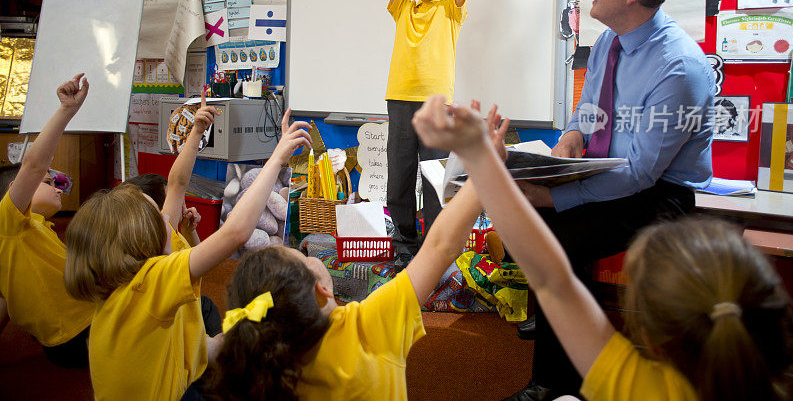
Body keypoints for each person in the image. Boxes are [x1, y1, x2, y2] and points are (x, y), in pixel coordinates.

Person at [412, 95, 793, 401]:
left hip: (650, 194)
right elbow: (552, 282)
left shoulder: (631, 385)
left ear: (648, 335)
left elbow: (552, 281)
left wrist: (482, 163)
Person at [511, 0, 716, 399]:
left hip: (661, 192)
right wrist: (571, 137)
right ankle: (558, 317)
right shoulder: (609, 41)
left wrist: (557, 193)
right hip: (606, 169)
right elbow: (589, 105)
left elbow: (642, 172)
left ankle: (558, 382)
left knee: (559, 237)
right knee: (534, 217)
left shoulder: (679, 68)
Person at [204, 103, 508, 401]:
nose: (310, 254)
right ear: (321, 289)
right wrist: (483, 164)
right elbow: (443, 246)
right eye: (306, 258)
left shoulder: (253, 368)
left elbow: (233, 234)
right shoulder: (369, 327)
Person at [64, 109, 312, 401]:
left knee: (216, 323)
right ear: (144, 239)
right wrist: (277, 159)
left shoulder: (131, 279)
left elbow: (176, 185)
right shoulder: (149, 282)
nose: (168, 215)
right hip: (180, 394)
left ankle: (220, 347)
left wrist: (196, 133)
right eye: (159, 216)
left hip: (177, 371)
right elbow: (235, 233)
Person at [370, 0, 467, 268]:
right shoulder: (403, 8)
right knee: (400, 175)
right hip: (399, 100)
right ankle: (405, 242)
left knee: (434, 178)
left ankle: (436, 248)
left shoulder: (451, 10)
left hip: (436, 104)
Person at [0, 73, 94, 368]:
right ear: (15, 191)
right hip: (79, 335)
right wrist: (67, 110)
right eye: (48, 181)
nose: (57, 186)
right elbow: (34, 164)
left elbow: (4, 298)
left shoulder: (37, 229)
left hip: (79, 330)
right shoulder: (8, 224)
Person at [122, 91, 224, 339]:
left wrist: (189, 233)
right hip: (178, 331)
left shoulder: (162, 233)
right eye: (167, 201)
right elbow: (178, 182)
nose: (177, 203)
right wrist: (197, 131)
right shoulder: (158, 241)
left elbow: (178, 184)